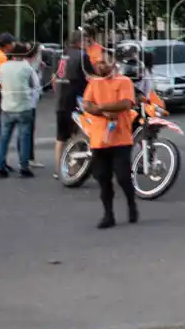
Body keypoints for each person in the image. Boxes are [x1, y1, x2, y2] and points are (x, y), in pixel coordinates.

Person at [81, 53, 138, 229]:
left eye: (104, 63)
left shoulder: (124, 81)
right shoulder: (94, 82)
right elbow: (87, 104)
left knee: (122, 177)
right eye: (98, 63)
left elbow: (126, 104)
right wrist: (103, 112)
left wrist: (102, 107)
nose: (100, 66)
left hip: (120, 138)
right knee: (103, 179)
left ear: (113, 63)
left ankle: (131, 203)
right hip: (99, 139)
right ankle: (108, 215)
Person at [53, 30, 92, 180]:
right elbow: (92, 77)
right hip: (76, 101)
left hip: (61, 100)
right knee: (77, 135)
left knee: (60, 137)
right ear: (80, 42)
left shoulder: (61, 55)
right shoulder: (82, 57)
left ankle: (58, 169)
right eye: (86, 41)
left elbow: (55, 78)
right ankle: (74, 167)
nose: (87, 44)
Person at [0, 43, 38, 179]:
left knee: (4, 138)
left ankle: (0, 166)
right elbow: (34, 85)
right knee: (24, 138)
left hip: (7, 106)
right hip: (24, 107)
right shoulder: (27, 68)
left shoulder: (3, 67)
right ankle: (24, 167)